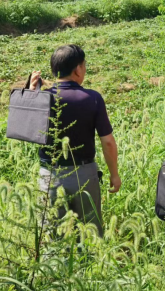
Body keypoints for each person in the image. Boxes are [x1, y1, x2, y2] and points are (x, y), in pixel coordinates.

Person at [30, 45, 121, 236]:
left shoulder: (43, 99)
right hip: (85, 176)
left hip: (51, 176)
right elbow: (108, 142)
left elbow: (27, 131)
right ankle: (89, 266)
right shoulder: (92, 98)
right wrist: (114, 174)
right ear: (78, 69)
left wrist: (32, 97)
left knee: (53, 239)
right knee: (90, 236)